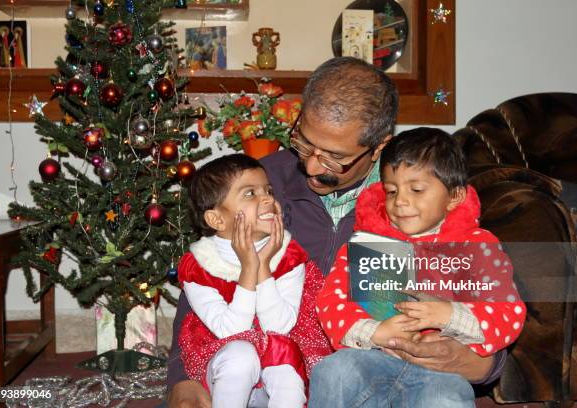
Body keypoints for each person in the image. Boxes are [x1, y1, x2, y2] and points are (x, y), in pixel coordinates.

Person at [167, 57, 507, 407]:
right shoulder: (264, 184)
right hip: (276, 377)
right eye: (303, 142)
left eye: (333, 158)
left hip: (386, 371)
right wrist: (181, 378)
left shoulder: (417, 205)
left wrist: (486, 364)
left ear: (378, 148)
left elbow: (483, 288)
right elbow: (209, 272)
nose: (312, 167)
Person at [311, 128, 527, 407]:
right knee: (334, 371)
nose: (400, 201)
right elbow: (331, 301)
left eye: (416, 189)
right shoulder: (368, 243)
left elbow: (507, 311)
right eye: (391, 191)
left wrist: (449, 315)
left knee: (445, 399)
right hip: (372, 358)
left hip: (441, 371)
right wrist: (374, 332)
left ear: (454, 197)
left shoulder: (477, 246)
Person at [177, 154, 331, 408]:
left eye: (268, 190)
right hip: (224, 367)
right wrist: (249, 268)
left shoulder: (287, 254)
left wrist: (263, 267)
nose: (268, 199)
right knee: (241, 354)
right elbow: (232, 332)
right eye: (250, 194)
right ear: (217, 219)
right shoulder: (200, 264)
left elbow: (279, 327)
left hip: (273, 358)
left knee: (286, 364)